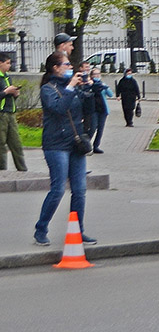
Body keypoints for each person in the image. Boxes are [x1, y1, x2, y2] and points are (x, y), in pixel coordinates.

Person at [33, 51, 94, 246]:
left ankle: (77, 230)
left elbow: (86, 109)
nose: (70, 68)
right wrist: (70, 88)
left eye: (70, 65)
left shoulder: (73, 88)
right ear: (55, 68)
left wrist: (91, 89)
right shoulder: (48, 89)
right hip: (56, 144)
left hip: (75, 144)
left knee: (80, 190)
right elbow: (59, 109)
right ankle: (41, 229)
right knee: (58, 189)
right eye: (66, 65)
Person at [0, 51, 28, 171]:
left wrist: (15, 93)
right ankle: (2, 171)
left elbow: (8, 95)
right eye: (7, 63)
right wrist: (6, 92)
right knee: (1, 144)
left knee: (16, 143)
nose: (9, 66)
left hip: (10, 112)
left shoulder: (7, 77)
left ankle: (22, 169)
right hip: (1, 114)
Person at [88, 68, 113, 153]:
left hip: (102, 109)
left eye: (98, 74)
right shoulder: (89, 84)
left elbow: (110, 94)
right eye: (95, 74)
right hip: (93, 109)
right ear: (91, 76)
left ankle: (96, 146)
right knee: (93, 127)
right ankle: (87, 144)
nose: (97, 76)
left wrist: (106, 87)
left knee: (100, 129)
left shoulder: (102, 84)